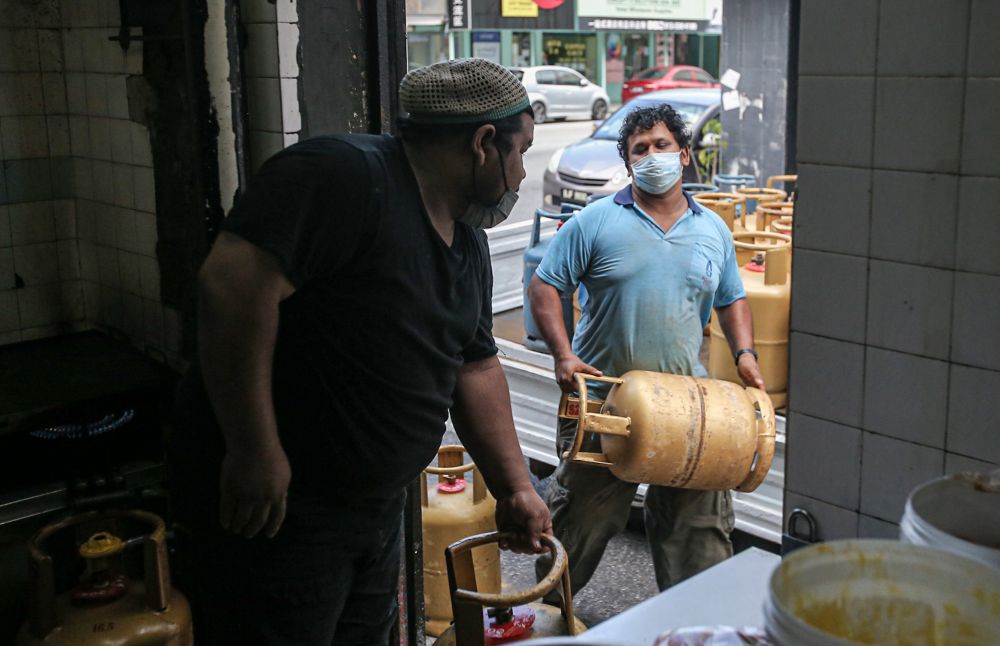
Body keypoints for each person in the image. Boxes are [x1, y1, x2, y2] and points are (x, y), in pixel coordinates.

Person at [168, 58, 551, 645]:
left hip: (375, 511)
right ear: (482, 143)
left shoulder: (467, 245)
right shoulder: (346, 177)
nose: (522, 173)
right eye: (520, 150)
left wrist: (515, 487)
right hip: (285, 513)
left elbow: (474, 368)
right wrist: (253, 449)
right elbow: (232, 286)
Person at [529, 104, 765, 597]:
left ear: (683, 155)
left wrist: (745, 354)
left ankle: (691, 625)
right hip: (602, 401)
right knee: (579, 526)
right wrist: (563, 354)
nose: (651, 155)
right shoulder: (595, 221)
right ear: (630, 163)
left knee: (696, 534)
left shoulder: (713, 230)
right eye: (640, 149)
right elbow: (546, 285)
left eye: (661, 145)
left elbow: (731, 297)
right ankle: (547, 616)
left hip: (687, 408)